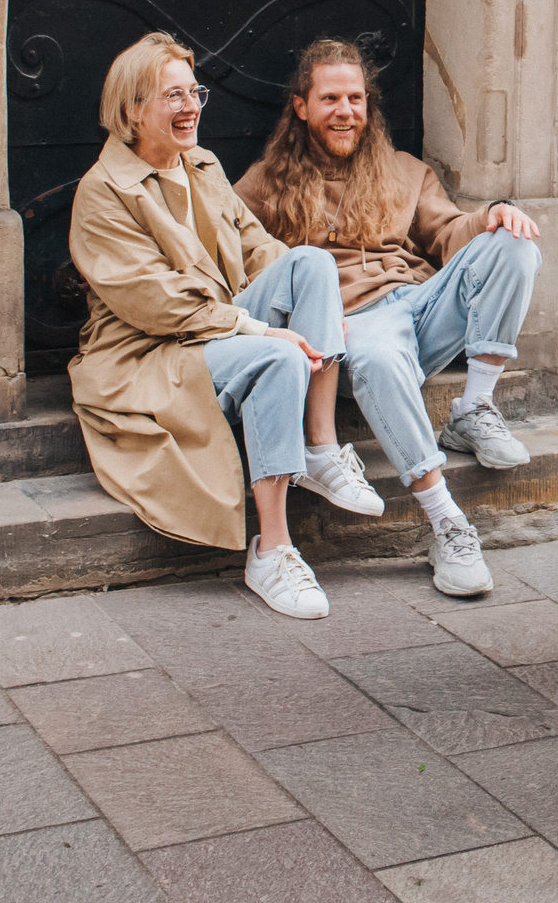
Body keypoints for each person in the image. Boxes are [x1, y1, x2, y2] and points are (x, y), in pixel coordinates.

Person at [66, 32, 356, 622]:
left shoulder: (202, 164)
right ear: (131, 110)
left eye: (194, 92)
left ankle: (320, 448)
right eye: (172, 96)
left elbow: (256, 247)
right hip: (150, 351)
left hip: (221, 324)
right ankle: (272, 551)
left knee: (312, 262)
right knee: (274, 358)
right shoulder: (101, 192)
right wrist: (259, 330)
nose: (191, 106)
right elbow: (155, 303)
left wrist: (304, 298)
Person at [236, 39, 542, 598]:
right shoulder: (263, 185)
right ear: (301, 106)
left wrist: (490, 216)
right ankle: (445, 519)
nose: (345, 111)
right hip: (354, 328)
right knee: (376, 351)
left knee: (513, 244)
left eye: (355, 98)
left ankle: (474, 406)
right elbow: (233, 257)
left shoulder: (405, 171)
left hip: (419, 308)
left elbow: (449, 235)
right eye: (330, 98)